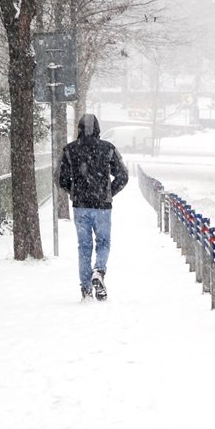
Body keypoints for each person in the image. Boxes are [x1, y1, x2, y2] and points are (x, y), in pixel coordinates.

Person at [57, 113, 128, 300]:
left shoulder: (69, 150)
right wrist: (109, 192)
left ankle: (86, 289)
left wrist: (74, 191)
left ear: (79, 129)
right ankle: (99, 271)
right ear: (98, 129)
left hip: (80, 206)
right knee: (103, 243)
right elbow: (123, 175)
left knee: (84, 247)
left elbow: (61, 178)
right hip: (103, 206)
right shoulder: (108, 149)